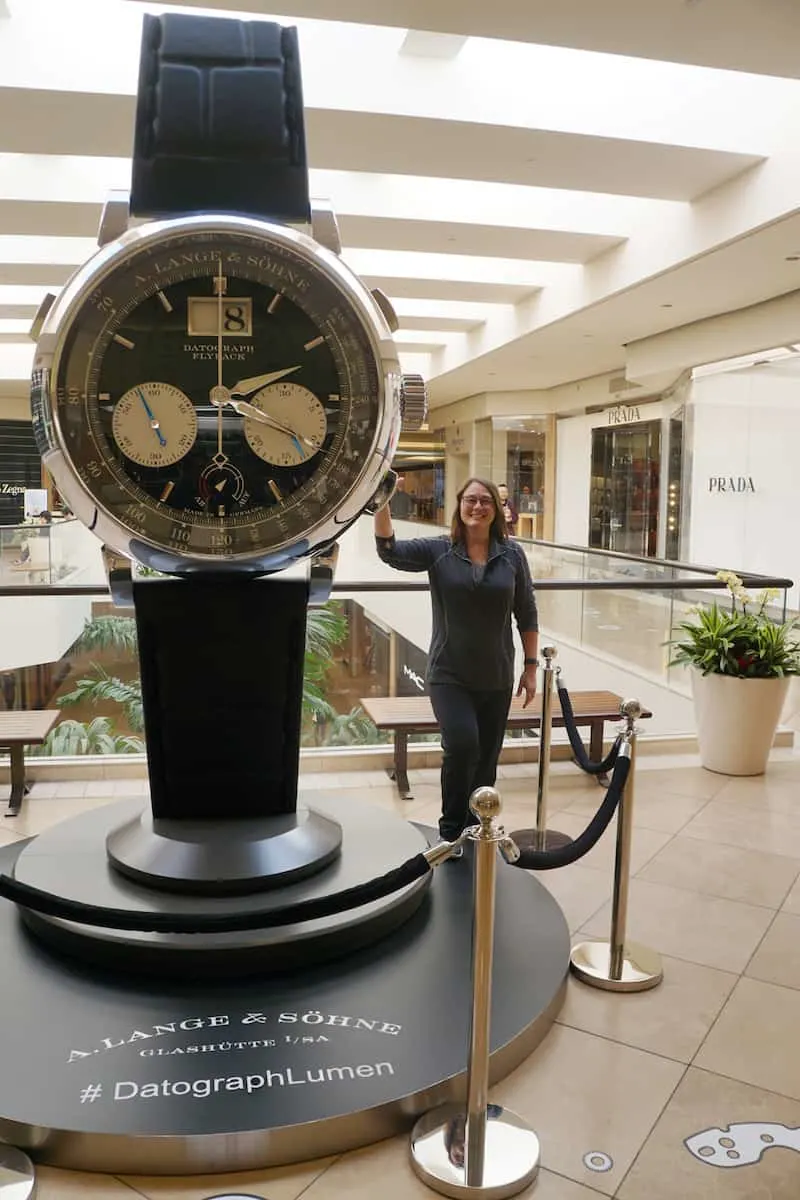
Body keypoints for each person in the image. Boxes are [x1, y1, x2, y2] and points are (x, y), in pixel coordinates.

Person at [374, 477, 539, 854]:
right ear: (459, 506)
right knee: (463, 745)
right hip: (449, 674)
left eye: (485, 501)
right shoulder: (440, 550)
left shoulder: (512, 555)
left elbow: (526, 612)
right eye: (470, 500)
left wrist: (531, 667)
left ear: (496, 510)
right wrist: (382, 500)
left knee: (486, 761)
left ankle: (477, 828)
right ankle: (450, 833)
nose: (477, 507)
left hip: (497, 674)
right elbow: (389, 551)